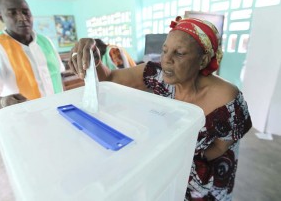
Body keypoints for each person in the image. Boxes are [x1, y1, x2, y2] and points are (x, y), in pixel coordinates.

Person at [69, 17, 252, 200]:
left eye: (179, 53)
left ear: (203, 60)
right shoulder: (156, 74)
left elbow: (220, 147)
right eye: (164, 51)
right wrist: (95, 60)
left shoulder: (227, 99)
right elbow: (108, 79)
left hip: (207, 180)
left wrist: (177, 155)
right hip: (170, 170)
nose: (166, 60)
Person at [0, 0, 65, 111]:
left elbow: (59, 75)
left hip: (59, 109)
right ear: (1, 17)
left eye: (25, 12)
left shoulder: (45, 41)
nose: (22, 18)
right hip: (25, 117)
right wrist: (4, 102)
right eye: (12, 13)